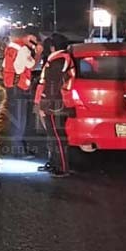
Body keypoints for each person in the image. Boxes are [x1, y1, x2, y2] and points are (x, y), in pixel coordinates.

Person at [2, 27, 43, 158]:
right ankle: (18, 151)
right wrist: (38, 53)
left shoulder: (11, 47)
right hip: (18, 87)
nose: (36, 43)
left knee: (16, 118)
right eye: (35, 40)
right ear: (30, 37)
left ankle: (19, 148)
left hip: (11, 86)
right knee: (20, 120)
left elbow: (5, 66)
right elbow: (32, 65)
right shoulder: (23, 49)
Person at [36, 49, 74, 177]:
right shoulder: (63, 59)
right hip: (57, 102)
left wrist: (45, 103)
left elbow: (51, 85)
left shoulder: (58, 61)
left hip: (54, 104)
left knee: (57, 136)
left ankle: (62, 168)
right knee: (53, 136)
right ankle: (54, 163)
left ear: (52, 48)